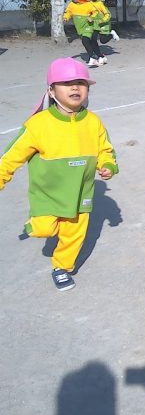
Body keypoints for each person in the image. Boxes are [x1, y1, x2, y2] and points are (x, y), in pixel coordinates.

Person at [0, 58, 118, 291]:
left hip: (80, 194)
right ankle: (36, 225)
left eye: (80, 83)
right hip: (48, 195)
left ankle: (61, 267)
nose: (75, 87)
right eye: (66, 83)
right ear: (51, 92)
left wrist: (107, 165)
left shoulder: (93, 122)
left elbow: (105, 149)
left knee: (74, 235)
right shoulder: (38, 125)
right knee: (44, 229)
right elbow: (11, 157)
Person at [63, 0, 102, 67]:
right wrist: (66, 18)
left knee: (85, 40)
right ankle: (99, 56)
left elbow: (95, 12)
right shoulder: (71, 5)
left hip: (88, 26)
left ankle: (92, 58)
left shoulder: (88, 4)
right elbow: (68, 12)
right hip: (79, 28)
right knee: (88, 42)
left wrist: (91, 18)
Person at [89, 0, 120, 66]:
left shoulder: (100, 4)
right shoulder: (89, 3)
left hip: (104, 25)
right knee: (93, 39)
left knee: (103, 41)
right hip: (95, 25)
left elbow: (108, 15)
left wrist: (102, 20)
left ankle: (111, 33)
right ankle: (98, 56)